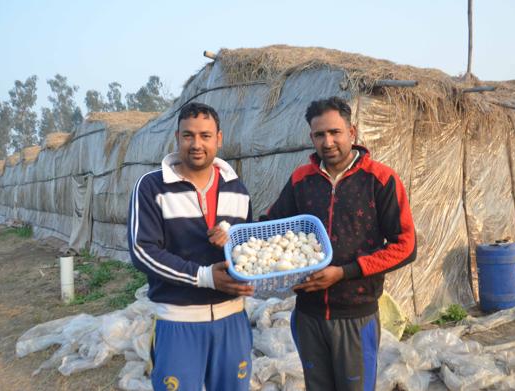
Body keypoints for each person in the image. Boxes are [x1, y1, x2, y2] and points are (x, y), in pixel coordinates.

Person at [265, 96, 417, 391]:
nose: (328, 141)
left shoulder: (380, 179)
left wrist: (344, 272)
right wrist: (231, 231)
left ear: (352, 132)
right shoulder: (301, 179)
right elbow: (272, 226)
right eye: (320, 134)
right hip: (308, 312)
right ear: (311, 137)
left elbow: (406, 246)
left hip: (355, 314)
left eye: (335, 132)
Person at [127, 102, 254, 391]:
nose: (197, 144)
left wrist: (234, 240)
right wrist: (205, 276)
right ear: (177, 137)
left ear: (219, 139)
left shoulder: (237, 188)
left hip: (232, 317)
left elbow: (248, 247)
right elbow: (143, 251)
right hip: (178, 319)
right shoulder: (152, 187)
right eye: (188, 135)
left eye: (205, 136)